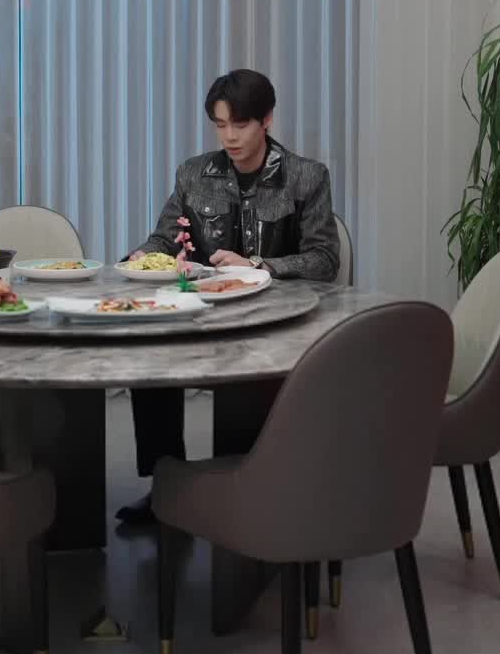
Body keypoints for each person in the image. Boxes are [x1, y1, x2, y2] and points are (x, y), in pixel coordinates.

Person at [118, 68, 339, 528]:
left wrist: (258, 265)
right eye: (220, 125)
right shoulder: (194, 173)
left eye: (240, 124)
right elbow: (163, 240)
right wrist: (143, 258)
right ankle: (165, 485)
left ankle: (248, 490)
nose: (230, 137)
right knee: (150, 355)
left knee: (247, 386)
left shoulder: (305, 177)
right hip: (200, 314)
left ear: (267, 120)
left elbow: (323, 261)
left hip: (272, 322)